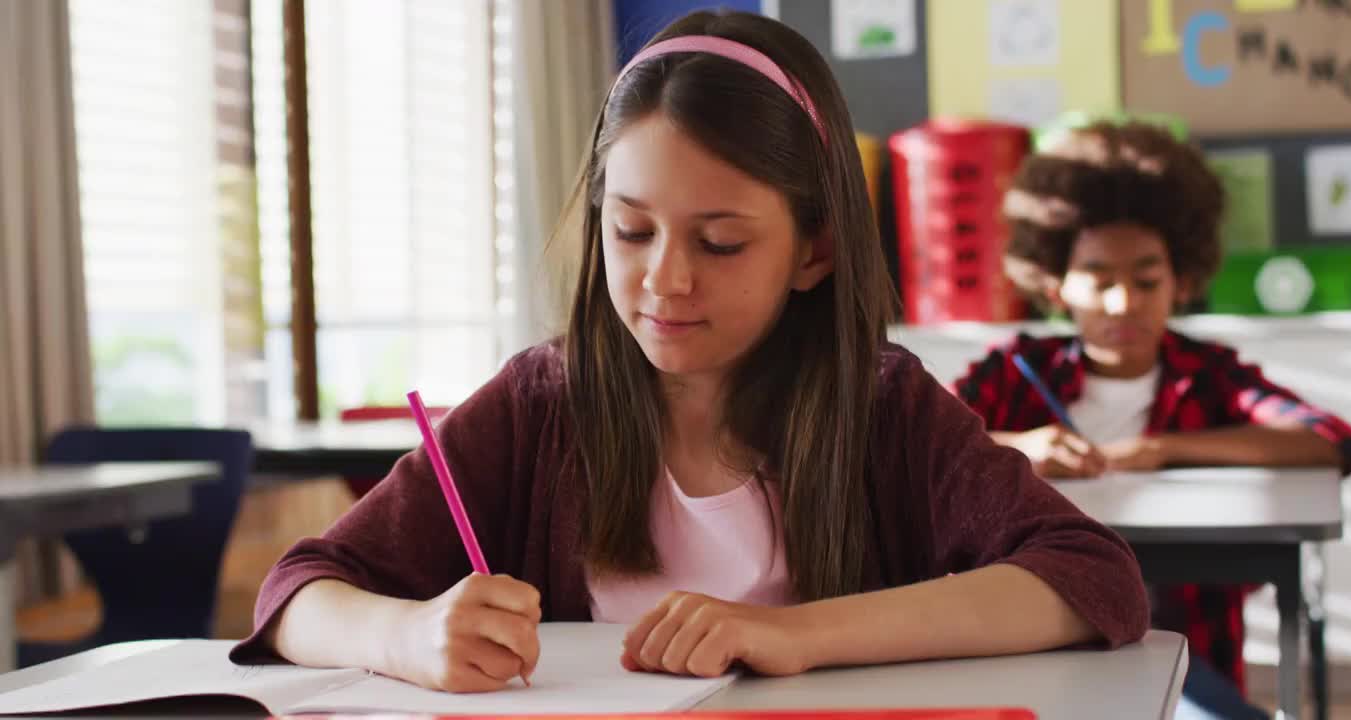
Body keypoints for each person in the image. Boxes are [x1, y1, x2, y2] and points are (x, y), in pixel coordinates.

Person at [230, 11, 1150, 694]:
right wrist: (411, 637)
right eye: (631, 232)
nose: (665, 282)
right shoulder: (542, 404)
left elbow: (1089, 577)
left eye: (720, 244)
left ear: (816, 250)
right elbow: (296, 592)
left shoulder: (882, 406)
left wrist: (797, 634)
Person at [952, 120, 1351, 717]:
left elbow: (1329, 441)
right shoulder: (1014, 373)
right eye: (1098, 278)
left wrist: (1164, 449)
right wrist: (1015, 447)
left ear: (1182, 282)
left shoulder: (1210, 376)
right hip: (1030, 653)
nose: (1124, 304)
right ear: (1057, 283)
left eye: (1146, 280)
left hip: (1185, 656)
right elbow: (907, 443)